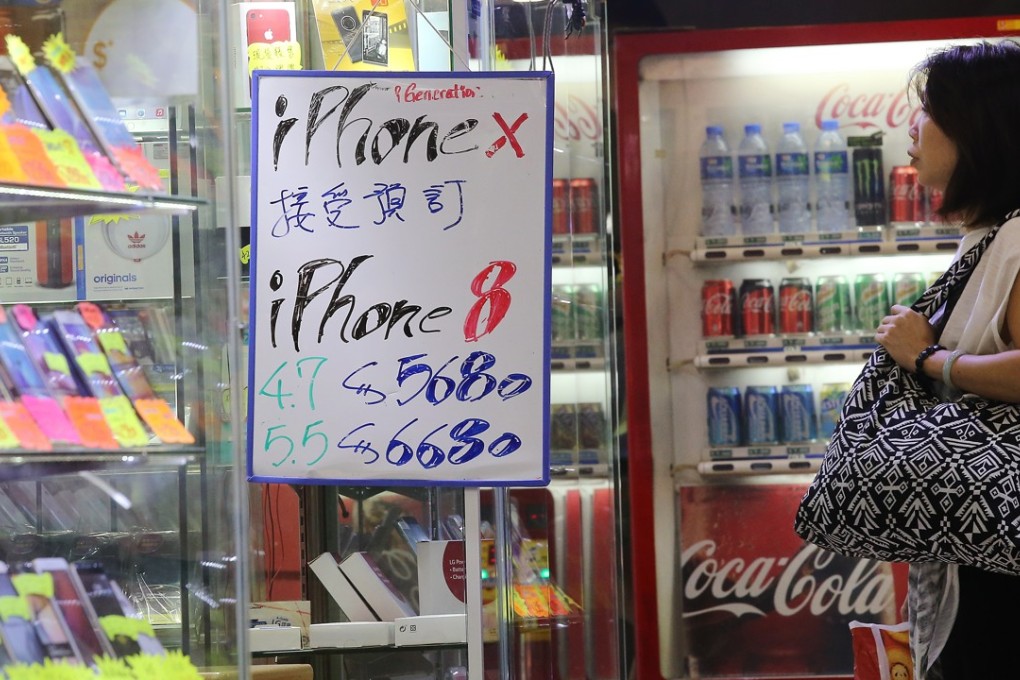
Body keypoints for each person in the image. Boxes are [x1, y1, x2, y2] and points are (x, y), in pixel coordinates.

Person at [874, 40, 1020, 679]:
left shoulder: (1017, 237)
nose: (912, 126)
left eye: (930, 109)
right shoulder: (992, 235)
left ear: (978, 129)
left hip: (1003, 560)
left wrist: (930, 358)